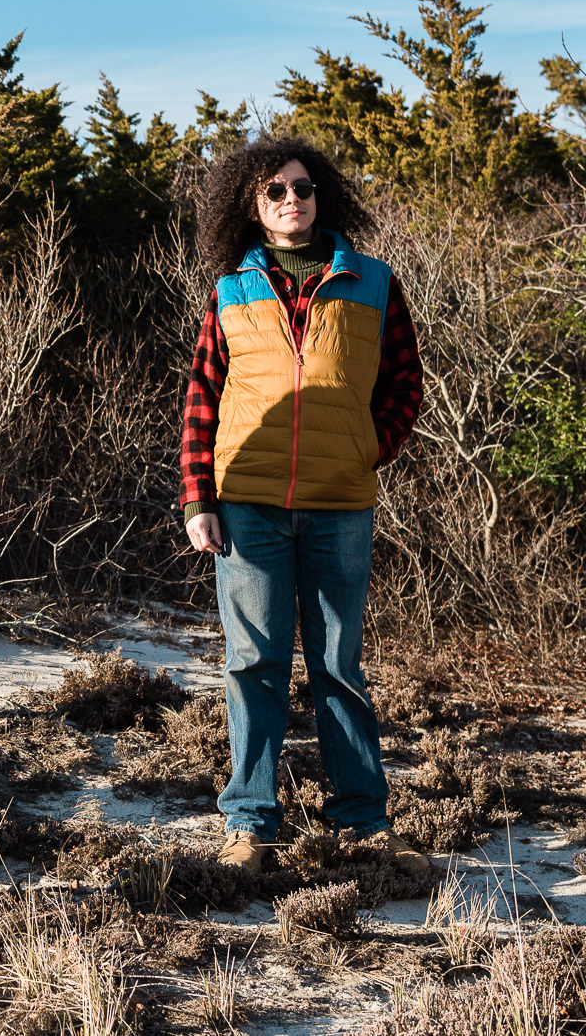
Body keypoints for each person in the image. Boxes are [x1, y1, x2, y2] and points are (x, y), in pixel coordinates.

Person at [179, 137, 431, 877]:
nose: (294, 198)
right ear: (250, 207)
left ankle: (363, 822)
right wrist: (199, 496)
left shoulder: (374, 281)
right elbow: (202, 397)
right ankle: (250, 826)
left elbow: (406, 383)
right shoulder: (230, 289)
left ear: (323, 195)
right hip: (247, 505)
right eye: (276, 190)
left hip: (341, 503)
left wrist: (365, 446)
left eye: (304, 186)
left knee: (338, 666)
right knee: (253, 662)